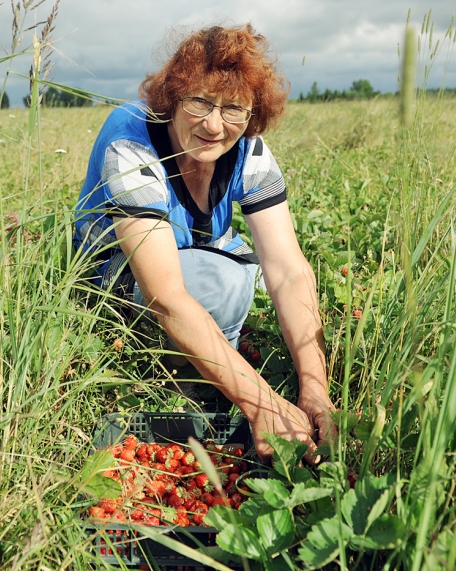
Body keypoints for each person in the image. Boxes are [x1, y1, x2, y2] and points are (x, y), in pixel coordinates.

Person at [75, 24, 335, 461]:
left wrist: (315, 387)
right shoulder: (132, 142)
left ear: (253, 114)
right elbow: (168, 296)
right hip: (117, 279)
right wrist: (263, 403)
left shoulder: (248, 149)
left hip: (191, 260)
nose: (214, 125)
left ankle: (215, 358)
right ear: (173, 96)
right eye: (199, 102)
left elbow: (288, 269)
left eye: (233, 109)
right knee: (217, 284)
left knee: (249, 273)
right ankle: (186, 378)